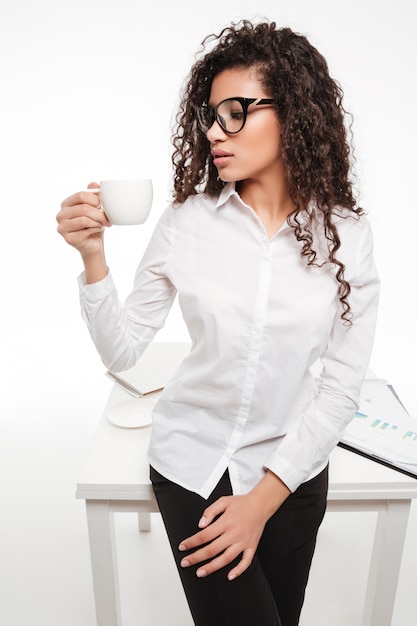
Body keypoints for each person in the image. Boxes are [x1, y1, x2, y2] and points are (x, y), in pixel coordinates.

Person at [57, 19, 380, 626]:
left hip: (291, 466)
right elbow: (124, 351)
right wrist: (93, 258)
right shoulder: (186, 224)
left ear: (295, 112)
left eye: (235, 112)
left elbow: (339, 389)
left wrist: (260, 502)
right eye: (210, 115)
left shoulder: (348, 238)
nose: (214, 132)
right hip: (193, 459)